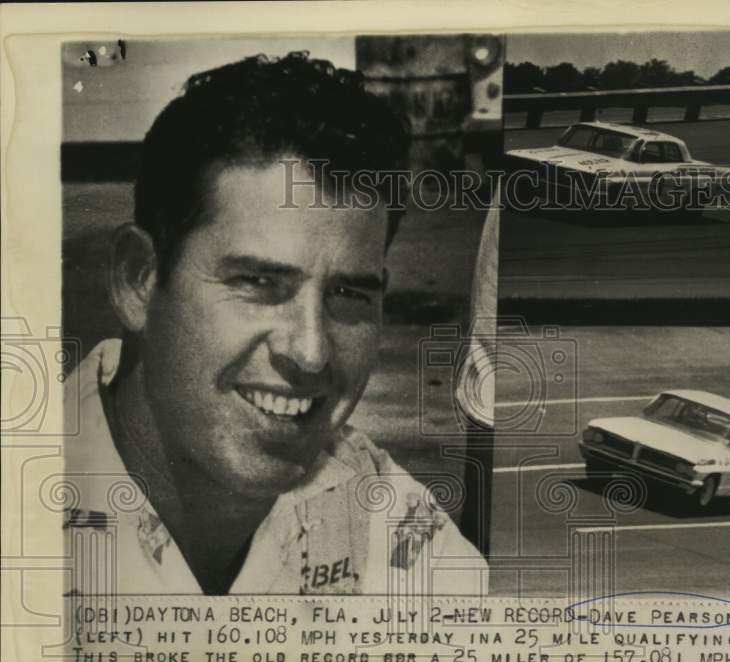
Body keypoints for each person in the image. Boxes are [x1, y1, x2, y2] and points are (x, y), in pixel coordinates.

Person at [64, 52, 488, 596]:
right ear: (138, 280)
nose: (311, 351)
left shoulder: (370, 505)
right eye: (260, 285)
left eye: (347, 294)